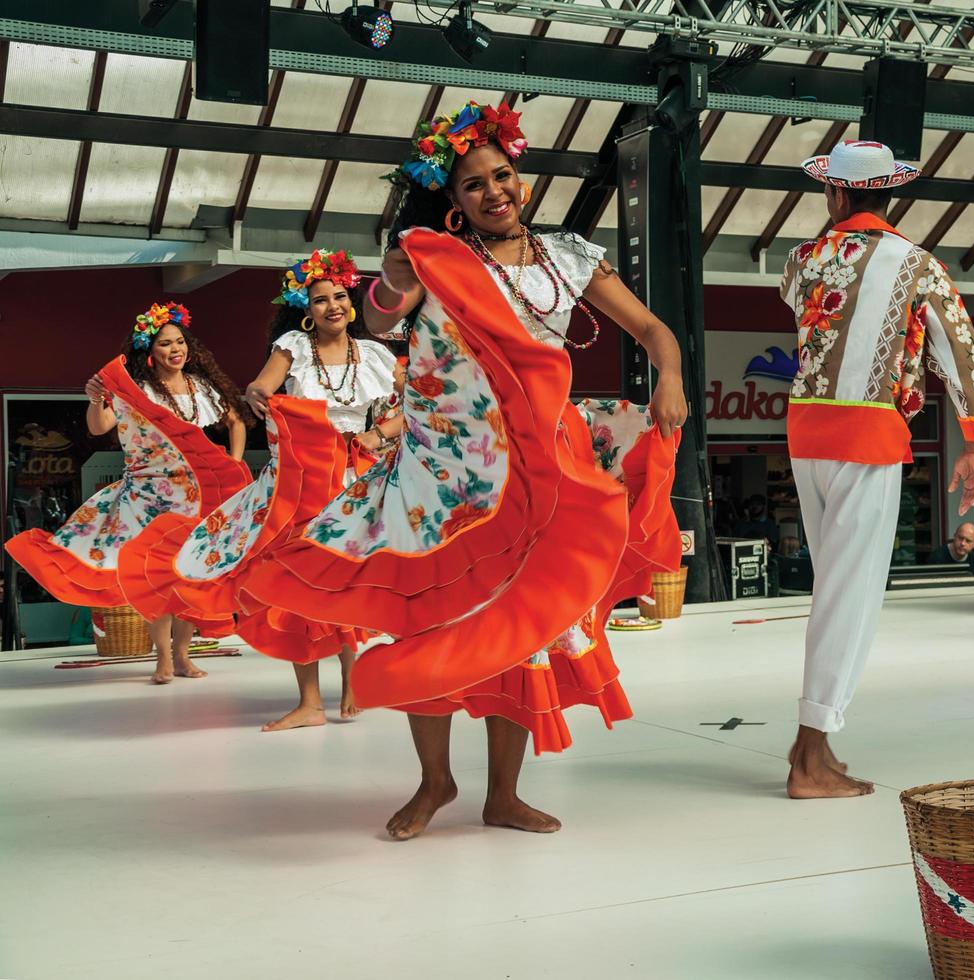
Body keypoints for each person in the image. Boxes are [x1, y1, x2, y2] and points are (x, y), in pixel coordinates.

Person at [243, 100, 687, 840]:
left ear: (523, 181)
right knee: (432, 618)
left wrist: (668, 375)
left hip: (540, 464)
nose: (493, 191)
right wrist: (388, 277)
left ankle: (502, 795)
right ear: (453, 204)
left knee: (522, 625)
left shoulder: (569, 255)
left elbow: (650, 329)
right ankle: (435, 782)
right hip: (444, 474)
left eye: (501, 175)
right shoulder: (440, 261)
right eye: (473, 184)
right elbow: (383, 319)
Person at [779, 140, 974, 799]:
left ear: (835, 195)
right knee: (851, 593)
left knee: (831, 585)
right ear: (889, 195)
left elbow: (795, 299)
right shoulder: (916, 264)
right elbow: (962, 349)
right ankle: (808, 757)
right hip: (867, 434)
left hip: (804, 432)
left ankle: (818, 742)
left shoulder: (804, 259)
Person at [119, 251, 404, 730]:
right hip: (303, 477)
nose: (331, 306)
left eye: (338, 297)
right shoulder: (293, 346)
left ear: (351, 304)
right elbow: (262, 386)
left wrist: (376, 435)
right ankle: (310, 701)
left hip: (356, 478)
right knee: (300, 584)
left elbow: (409, 410)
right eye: (319, 300)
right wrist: (258, 396)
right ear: (305, 310)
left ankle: (353, 683)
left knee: (348, 581)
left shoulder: (376, 355)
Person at [5, 303, 251, 683]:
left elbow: (235, 420)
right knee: (157, 577)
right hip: (149, 497)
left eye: (180, 341)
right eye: (165, 343)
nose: (175, 349)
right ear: (149, 352)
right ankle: (163, 660)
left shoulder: (201, 386)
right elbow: (99, 426)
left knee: (190, 576)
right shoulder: (138, 391)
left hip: (197, 497)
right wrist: (95, 399)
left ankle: (183, 656)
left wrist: (233, 465)